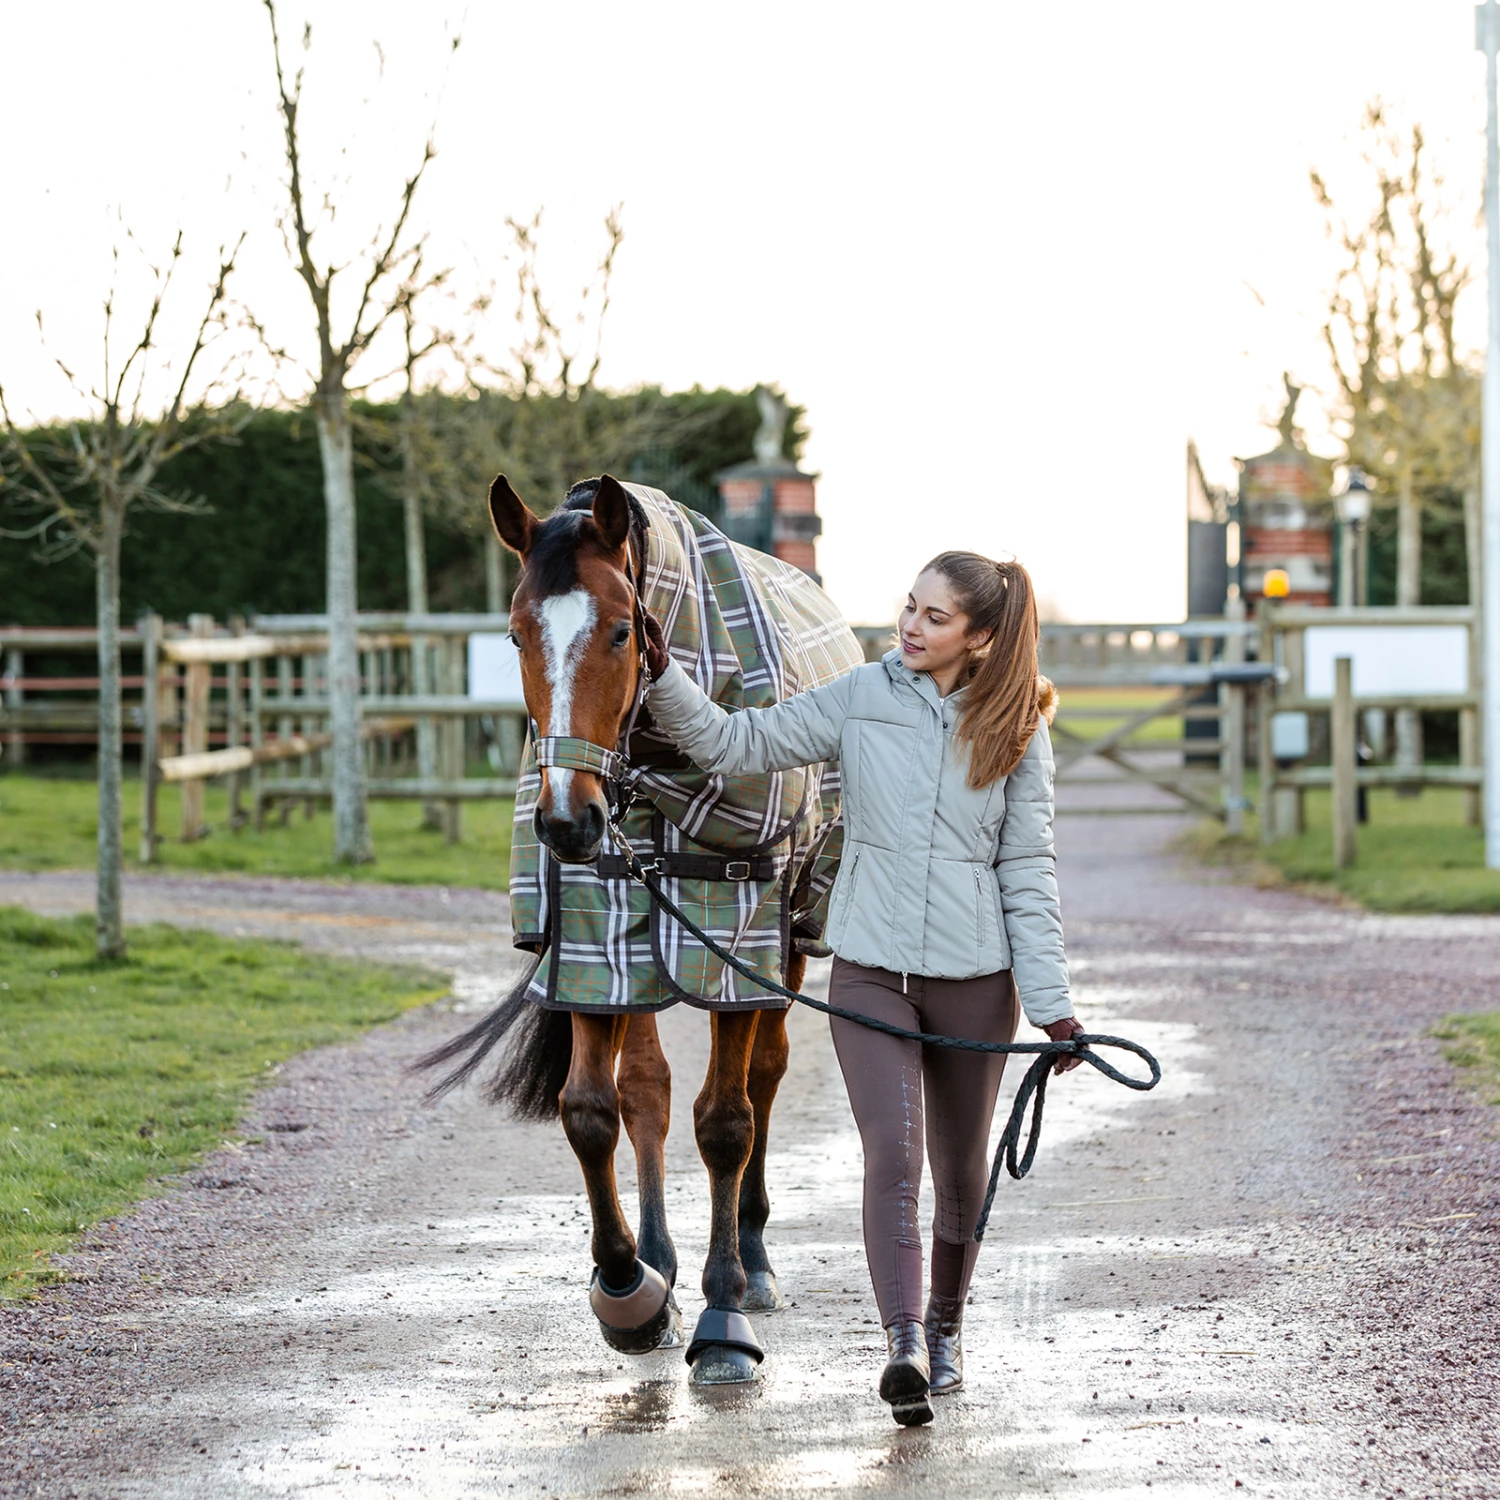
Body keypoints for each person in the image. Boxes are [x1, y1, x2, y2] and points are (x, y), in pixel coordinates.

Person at [640, 551, 1081, 1427]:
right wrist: (660, 676)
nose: (911, 626)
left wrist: (1053, 1002)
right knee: (894, 1153)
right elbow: (741, 742)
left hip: (977, 980)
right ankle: (906, 1344)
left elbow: (1028, 872)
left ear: (982, 639)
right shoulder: (862, 693)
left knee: (960, 1174)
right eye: (909, 607)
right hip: (873, 969)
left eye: (936, 617)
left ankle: (948, 1334)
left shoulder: (1017, 729)